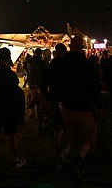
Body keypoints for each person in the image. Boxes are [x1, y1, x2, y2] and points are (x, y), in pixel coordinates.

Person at [52, 36, 101, 182]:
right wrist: (99, 105)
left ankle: (64, 158)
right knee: (90, 136)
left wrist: (57, 100)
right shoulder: (87, 64)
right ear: (82, 46)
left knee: (73, 134)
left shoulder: (61, 64)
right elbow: (94, 87)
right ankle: (78, 159)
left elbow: (54, 83)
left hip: (66, 105)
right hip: (83, 105)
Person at [0, 47, 27, 170]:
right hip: (9, 107)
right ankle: (16, 159)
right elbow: (16, 93)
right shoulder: (11, 75)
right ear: (9, 59)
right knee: (13, 134)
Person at [42, 42, 69, 168]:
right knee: (68, 127)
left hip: (54, 98)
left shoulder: (50, 65)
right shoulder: (68, 65)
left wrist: (48, 95)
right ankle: (64, 153)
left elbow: (43, 83)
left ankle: (58, 154)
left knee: (58, 128)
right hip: (66, 99)